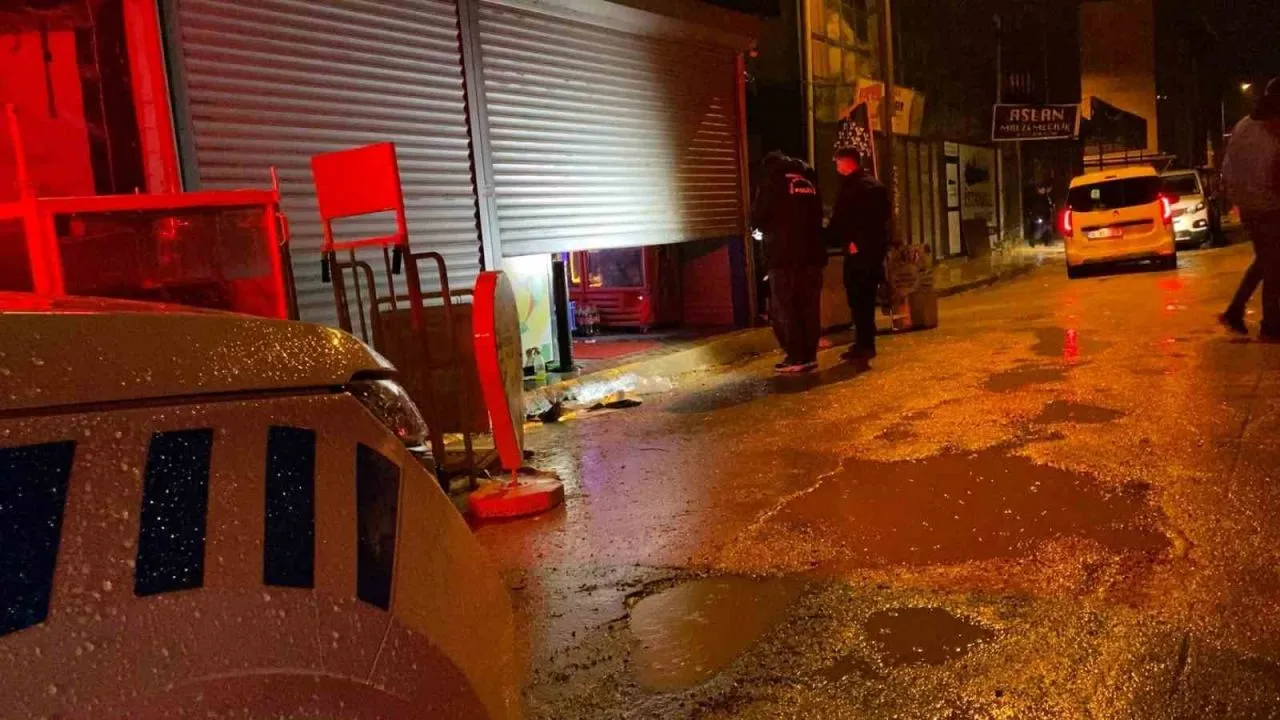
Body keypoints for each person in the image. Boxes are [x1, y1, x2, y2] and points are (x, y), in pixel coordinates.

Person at [751, 152, 827, 373]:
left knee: (786, 308)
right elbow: (819, 216)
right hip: (812, 256)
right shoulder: (809, 181)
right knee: (810, 307)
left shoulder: (772, 182)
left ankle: (795, 356)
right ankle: (809, 356)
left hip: (783, 257)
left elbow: (758, 216)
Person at [1221, 78, 1280, 340]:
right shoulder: (1273, 129)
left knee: (1266, 260)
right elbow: (1275, 176)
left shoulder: (1242, 125)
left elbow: (1227, 168)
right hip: (1268, 205)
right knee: (1273, 265)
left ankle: (1235, 310)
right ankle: (1270, 326)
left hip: (1247, 204)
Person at [827, 148, 891, 362]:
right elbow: (883, 218)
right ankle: (864, 342)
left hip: (859, 252)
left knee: (859, 298)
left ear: (847, 162)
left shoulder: (854, 187)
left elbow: (846, 219)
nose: (836, 166)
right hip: (872, 251)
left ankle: (865, 344)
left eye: (838, 162)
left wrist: (854, 242)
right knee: (865, 298)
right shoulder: (873, 185)